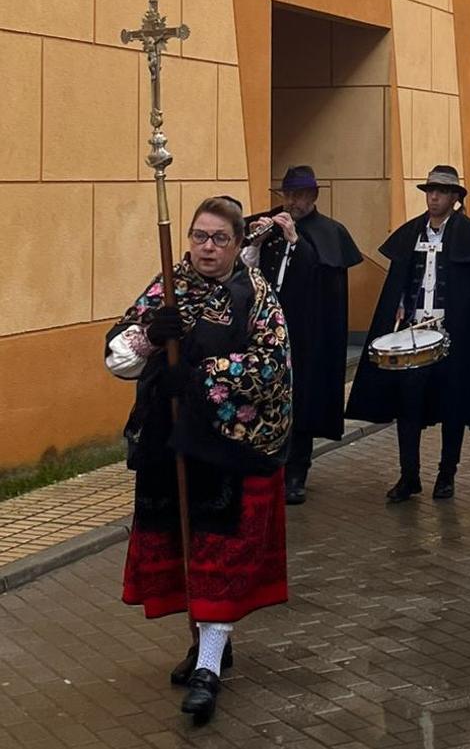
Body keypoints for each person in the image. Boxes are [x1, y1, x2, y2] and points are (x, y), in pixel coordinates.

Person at [104, 196, 293, 722]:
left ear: (238, 243)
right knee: (185, 549)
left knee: (217, 553)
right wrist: (149, 338)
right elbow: (118, 357)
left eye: (219, 238)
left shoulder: (255, 295)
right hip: (171, 446)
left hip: (229, 450)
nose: (207, 248)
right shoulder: (169, 285)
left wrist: (197, 376)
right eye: (199, 236)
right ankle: (208, 646)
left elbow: (270, 367)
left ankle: (208, 668)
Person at [345, 166, 470, 502]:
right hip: (413, 335)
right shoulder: (411, 234)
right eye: (430, 191)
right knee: (407, 407)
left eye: (441, 191)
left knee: (454, 406)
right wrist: (398, 304)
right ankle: (409, 476)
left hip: (453, 337)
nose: (434, 197)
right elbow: (398, 279)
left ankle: (446, 474)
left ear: (455, 198)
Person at [241, 165, 362, 505]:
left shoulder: (330, 232)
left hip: (306, 332)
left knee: (301, 402)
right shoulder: (266, 225)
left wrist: (295, 240)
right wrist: (256, 241)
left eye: (300, 195)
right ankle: (264, 466)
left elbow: (323, 285)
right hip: (263, 331)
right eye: (288, 194)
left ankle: (297, 471)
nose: (292, 201)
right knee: (260, 396)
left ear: (313, 196)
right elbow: (243, 270)